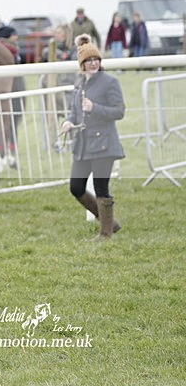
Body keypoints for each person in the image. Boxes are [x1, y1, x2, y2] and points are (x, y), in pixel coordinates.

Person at [59, 35, 124, 240]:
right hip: (83, 144)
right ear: (82, 65)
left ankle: (105, 233)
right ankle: (110, 222)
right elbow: (74, 112)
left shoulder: (110, 82)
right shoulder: (80, 85)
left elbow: (119, 111)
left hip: (104, 143)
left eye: (96, 59)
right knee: (76, 187)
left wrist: (95, 108)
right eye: (88, 60)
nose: (93, 63)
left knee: (101, 187)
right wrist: (68, 122)